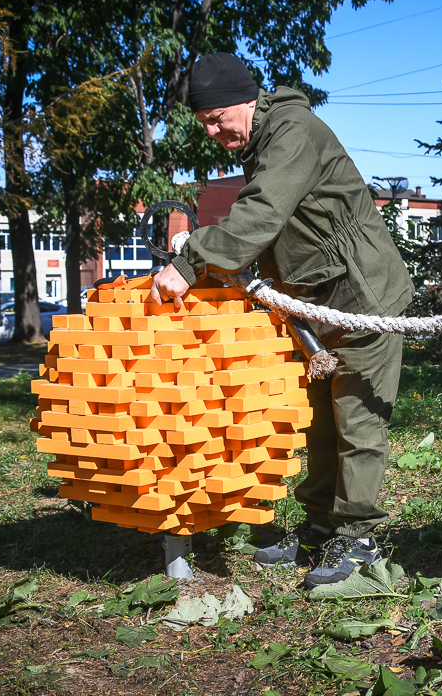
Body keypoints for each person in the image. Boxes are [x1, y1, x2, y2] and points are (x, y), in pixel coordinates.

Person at [149, 52, 413, 587]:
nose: (213, 132)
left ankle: (360, 544)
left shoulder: (292, 131)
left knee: (356, 421)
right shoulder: (263, 141)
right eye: (205, 124)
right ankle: (319, 529)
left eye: (216, 119)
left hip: (363, 294)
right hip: (315, 301)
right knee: (318, 419)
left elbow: (260, 214)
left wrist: (190, 260)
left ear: (243, 100)